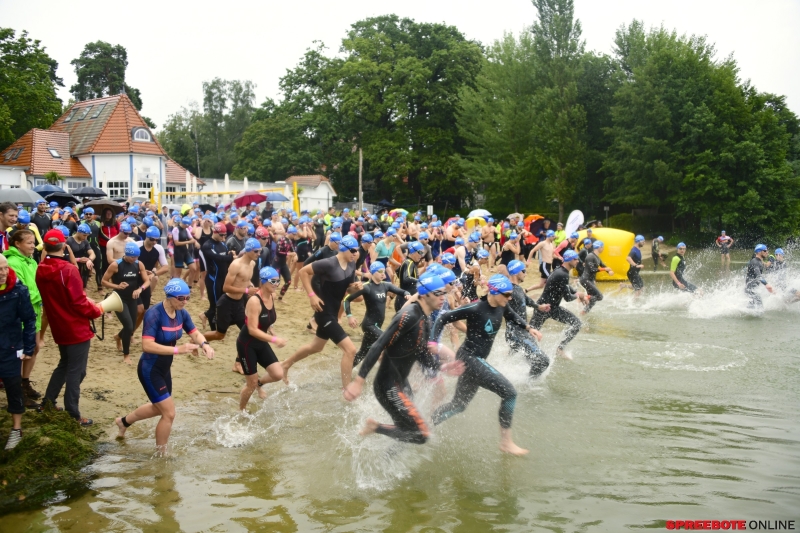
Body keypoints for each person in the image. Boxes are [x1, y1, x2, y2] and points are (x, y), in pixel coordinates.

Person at [343, 275, 464, 445]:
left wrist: (443, 366)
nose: (443, 297)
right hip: (387, 386)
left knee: (407, 430)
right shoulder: (407, 316)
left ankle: (388, 460)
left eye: (444, 292)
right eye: (438, 293)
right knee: (421, 434)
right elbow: (378, 345)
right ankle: (375, 427)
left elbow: (422, 355)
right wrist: (359, 381)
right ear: (424, 294)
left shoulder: (426, 320)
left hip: (401, 383)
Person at [430, 274, 541, 455]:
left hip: (476, 361)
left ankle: (427, 423)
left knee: (459, 405)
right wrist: (433, 342)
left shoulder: (502, 306)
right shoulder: (475, 307)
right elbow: (443, 318)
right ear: (494, 292)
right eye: (506, 294)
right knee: (510, 393)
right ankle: (506, 443)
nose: (510, 298)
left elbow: (512, 316)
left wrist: (529, 328)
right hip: (469, 358)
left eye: (510, 294)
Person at [114, 279, 214, 453]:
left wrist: (205, 344)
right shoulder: (154, 314)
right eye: (181, 298)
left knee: (158, 408)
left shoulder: (182, 312)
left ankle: (123, 422)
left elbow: (194, 332)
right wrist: (178, 349)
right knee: (169, 413)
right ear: (169, 297)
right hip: (150, 369)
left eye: (188, 298)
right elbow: (147, 345)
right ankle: (162, 454)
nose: (185, 302)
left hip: (164, 368)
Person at [37, 229, 104, 426]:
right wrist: (96, 311)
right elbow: (77, 302)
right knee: (77, 371)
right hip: (75, 327)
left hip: (58, 325)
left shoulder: (41, 268)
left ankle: (48, 402)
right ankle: (73, 413)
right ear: (64, 246)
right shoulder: (68, 269)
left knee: (64, 364)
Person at [281, 235, 362, 388]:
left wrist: (355, 288)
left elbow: (347, 290)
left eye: (357, 250)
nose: (355, 253)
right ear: (343, 248)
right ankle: (347, 390)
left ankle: (285, 364)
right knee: (350, 350)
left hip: (332, 312)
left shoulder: (351, 265)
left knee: (316, 347)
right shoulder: (329, 263)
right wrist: (311, 295)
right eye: (352, 250)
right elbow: (303, 271)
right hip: (323, 312)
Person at [204, 238, 262, 372]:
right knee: (219, 335)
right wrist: (246, 291)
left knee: (249, 332)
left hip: (239, 304)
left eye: (260, 251)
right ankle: (197, 340)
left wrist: (251, 287)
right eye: (256, 251)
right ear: (248, 250)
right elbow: (226, 287)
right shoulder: (236, 265)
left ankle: (237, 363)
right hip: (226, 303)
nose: (259, 253)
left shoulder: (252, 264)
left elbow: (245, 281)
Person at [237, 267, 287, 410]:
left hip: (262, 342)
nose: (276, 284)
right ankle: (242, 410)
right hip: (247, 344)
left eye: (278, 281)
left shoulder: (272, 296)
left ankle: (259, 384)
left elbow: (268, 318)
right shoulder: (254, 301)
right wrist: (274, 340)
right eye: (273, 281)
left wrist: (272, 331)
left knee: (278, 374)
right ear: (264, 281)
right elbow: (252, 330)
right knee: (250, 384)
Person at [0, 255, 37, 450]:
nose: (3, 273)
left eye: (5, 268)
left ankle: (16, 429)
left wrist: (28, 347)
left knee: (13, 386)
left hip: (10, 346)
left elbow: (29, 319)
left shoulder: (18, 289)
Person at [4, 229, 43, 406]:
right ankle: (17, 387)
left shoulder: (32, 261)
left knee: (34, 348)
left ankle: (25, 382)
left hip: (35, 313)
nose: (33, 246)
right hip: (20, 315)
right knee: (20, 353)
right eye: (29, 243)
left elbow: (38, 283)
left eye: (34, 242)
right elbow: (20, 292)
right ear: (17, 244)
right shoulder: (12, 262)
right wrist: (42, 296)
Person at [344, 262, 409, 366]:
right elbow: (347, 300)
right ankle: (390, 370)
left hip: (377, 325)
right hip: (369, 325)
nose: (383, 274)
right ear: (373, 273)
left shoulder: (386, 285)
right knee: (387, 340)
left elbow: (401, 291)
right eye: (380, 271)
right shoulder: (367, 287)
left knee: (362, 353)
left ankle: (347, 370)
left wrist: (407, 295)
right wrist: (349, 316)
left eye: (384, 271)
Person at [530, 250, 589, 359]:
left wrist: (579, 294)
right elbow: (567, 298)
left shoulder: (561, 271)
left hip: (553, 308)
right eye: (576, 259)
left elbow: (566, 287)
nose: (577, 262)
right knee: (531, 334)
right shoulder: (562, 274)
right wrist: (579, 295)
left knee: (576, 324)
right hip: (543, 308)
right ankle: (512, 352)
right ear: (570, 259)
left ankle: (560, 348)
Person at [102, 242, 150, 364]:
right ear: (126, 255)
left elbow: (147, 281)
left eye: (137, 257)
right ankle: (126, 355)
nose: (135, 259)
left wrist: (140, 289)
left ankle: (118, 336)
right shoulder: (116, 265)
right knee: (128, 326)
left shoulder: (139, 264)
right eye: (133, 257)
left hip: (132, 298)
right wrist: (117, 286)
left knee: (132, 326)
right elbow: (104, 281)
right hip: (119, 298)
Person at [506, 260, 551, 377]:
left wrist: (539, 307)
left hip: (519, 332)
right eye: (524, 271)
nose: (526, 273)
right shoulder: (508, 291)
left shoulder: (518, 289)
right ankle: (529, 383)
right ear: (516, 272)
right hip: (516, 333)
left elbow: (526, 299)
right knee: (543, 361)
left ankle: (509, 374)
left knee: (528, 360)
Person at [200, 223, 234, 330]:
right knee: (215, 305)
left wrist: (230, 257)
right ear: (215, 232)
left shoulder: (223, 244)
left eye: (225, 235)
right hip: (213, 279)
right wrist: (230, 256)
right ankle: (213, 329)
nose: (224, 238)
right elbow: (217, 258)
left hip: (223, 278)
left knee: (223, 304)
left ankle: (205, 315)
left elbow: (228, 259)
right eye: (221, 235)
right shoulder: (207, 245)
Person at [136, 226, 169, 311]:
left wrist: (154, 274)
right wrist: (140, 271)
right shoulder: (137, 245)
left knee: (145, 309)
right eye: (152, 239)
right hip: (134, 277)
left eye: (156, 240)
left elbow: (166, 267)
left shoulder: (158, 248)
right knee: (138, 309)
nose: (154, 242)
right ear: (146, 237)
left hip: (147, 279)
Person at [578, 240, 613, 313]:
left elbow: (603, 265)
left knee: (593, 300)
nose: (603, 249)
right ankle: (582, 297)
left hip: (589, 280)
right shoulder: (590, 256)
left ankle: (583, 313)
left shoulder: (597, 257)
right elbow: (592, 269)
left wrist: (609, 271)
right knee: (600, 296)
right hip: (585, 279)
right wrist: (605, 269)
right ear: (599, 247)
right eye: (602, 247)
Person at [66, 224, 96, 289]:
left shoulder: (85, 241)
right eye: (84, 235)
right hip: (71, 266)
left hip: (81, 266)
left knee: (82, 284)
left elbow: (92, 253)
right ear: (78, 232)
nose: (85, 238)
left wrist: (90, 260)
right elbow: (65, 257)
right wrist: (78, 259)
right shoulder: (69, 241)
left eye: (87, 236)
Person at [745, 244, 774, 309]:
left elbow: (765, 265)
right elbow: (759, 276)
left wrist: (770, 261)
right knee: (759, 308)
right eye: (765, 250)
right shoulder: (755, 262)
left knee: (753, 308)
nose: (767, 252)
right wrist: (766, 284)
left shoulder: (759, 261)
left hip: (752, 289)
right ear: (759, 252)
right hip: (750, 289)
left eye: (767, 250)